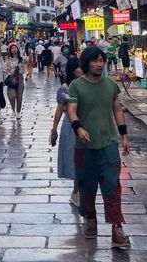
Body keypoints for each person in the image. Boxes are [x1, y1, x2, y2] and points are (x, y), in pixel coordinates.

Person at [67, 46, 130, 249]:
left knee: (113, 187)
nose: (99, 64)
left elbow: (117, 109)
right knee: (87, 186)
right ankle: (90, 220)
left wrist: (124, 135)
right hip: (84, 146)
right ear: (87, 63)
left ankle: (116, 228)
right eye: (95, 61)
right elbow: (72, 110)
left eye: (102, 60)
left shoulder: (110, 85)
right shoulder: (76, 86)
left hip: (109, 144)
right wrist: (79, 129)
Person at [50, 57, 83, 206]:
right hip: (71, 126)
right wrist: (54, 128)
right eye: (78, 68)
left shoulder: (88, 84)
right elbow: (59, 109)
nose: (81, 70)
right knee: (76, 158)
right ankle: (76, 192)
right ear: (72, 70)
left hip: (89, 124)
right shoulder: (65, 88)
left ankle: (80, 191)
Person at [4, 43, 25, 120]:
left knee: (19, 96)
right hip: (11, 79)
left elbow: (30, 62)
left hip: (19, 78)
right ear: (10, 50)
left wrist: (30, 53)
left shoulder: (21, 59)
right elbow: (5, 69)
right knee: (12, 96)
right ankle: (13, 110)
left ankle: (18, 112)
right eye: (12, 48)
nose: (14, 49)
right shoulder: (8, 60)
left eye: (15, 48)